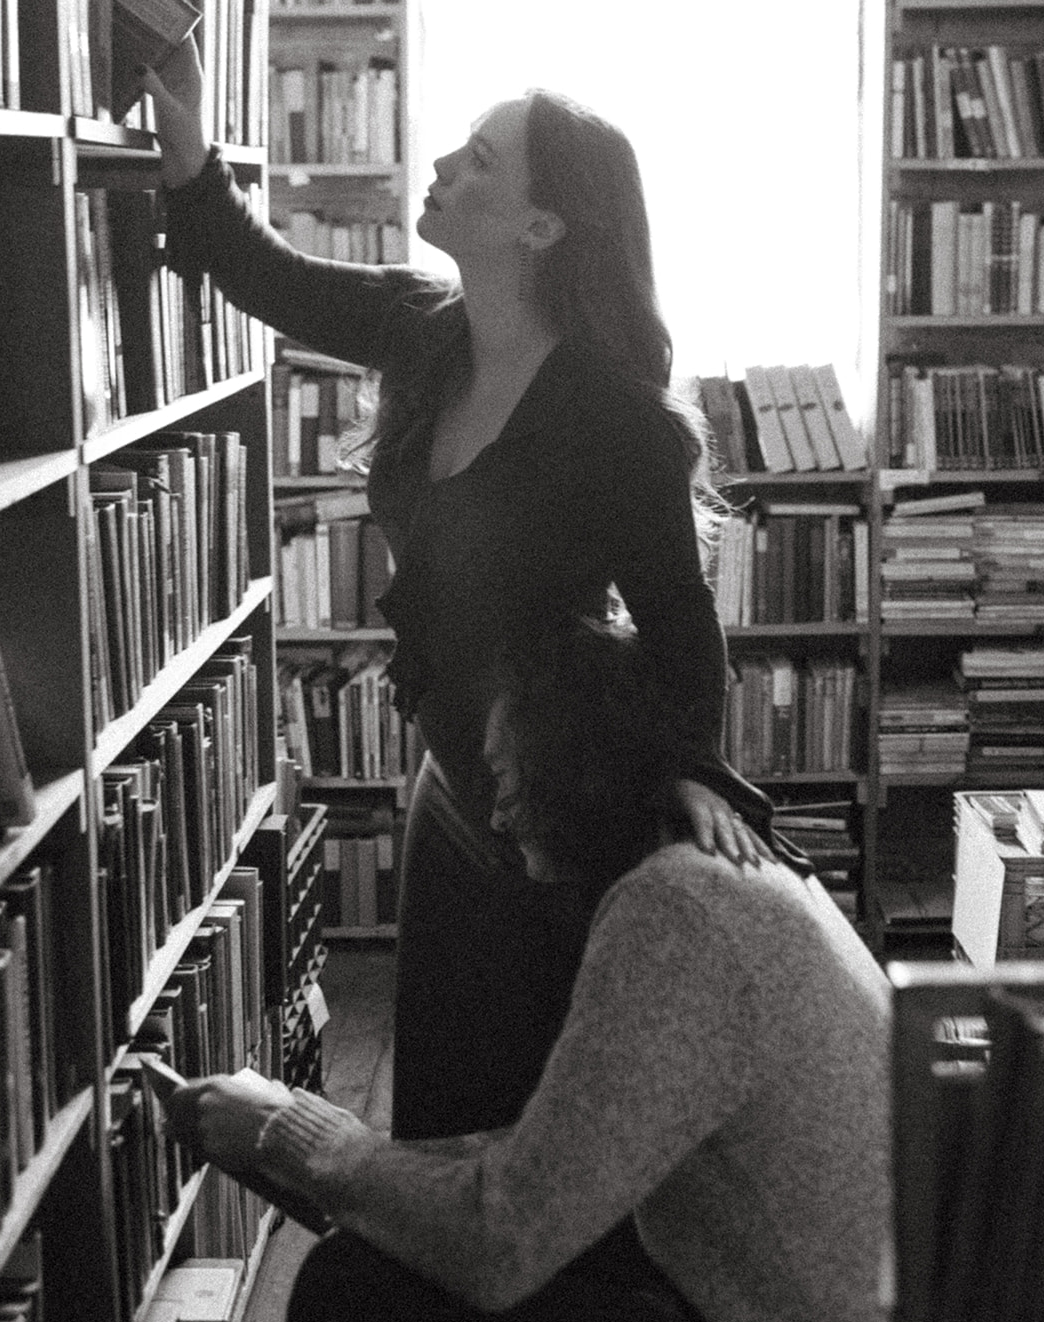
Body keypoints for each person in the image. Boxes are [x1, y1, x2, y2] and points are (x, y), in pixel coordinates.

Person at [165, 623, 893, 1322]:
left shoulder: (672, 918)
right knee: (405, 1251)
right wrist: (345, 1166)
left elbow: (503, 1242)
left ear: (576, 775)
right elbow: (565, 1158)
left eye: (509, 782)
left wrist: (291, 1135)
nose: (499, 820)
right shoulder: (710, 876)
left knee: (349, 1307)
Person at [142, 51, 771, 1141]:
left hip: (556, 808)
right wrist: (190, 141)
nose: (438, 164)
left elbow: (680, 623)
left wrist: (691, 770)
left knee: (540, 1108)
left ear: (541, 229)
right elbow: (265, 275)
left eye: (480, 159)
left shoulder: (621, 422)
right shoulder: (423, 331)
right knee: (436, 1099)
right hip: (447, 779)